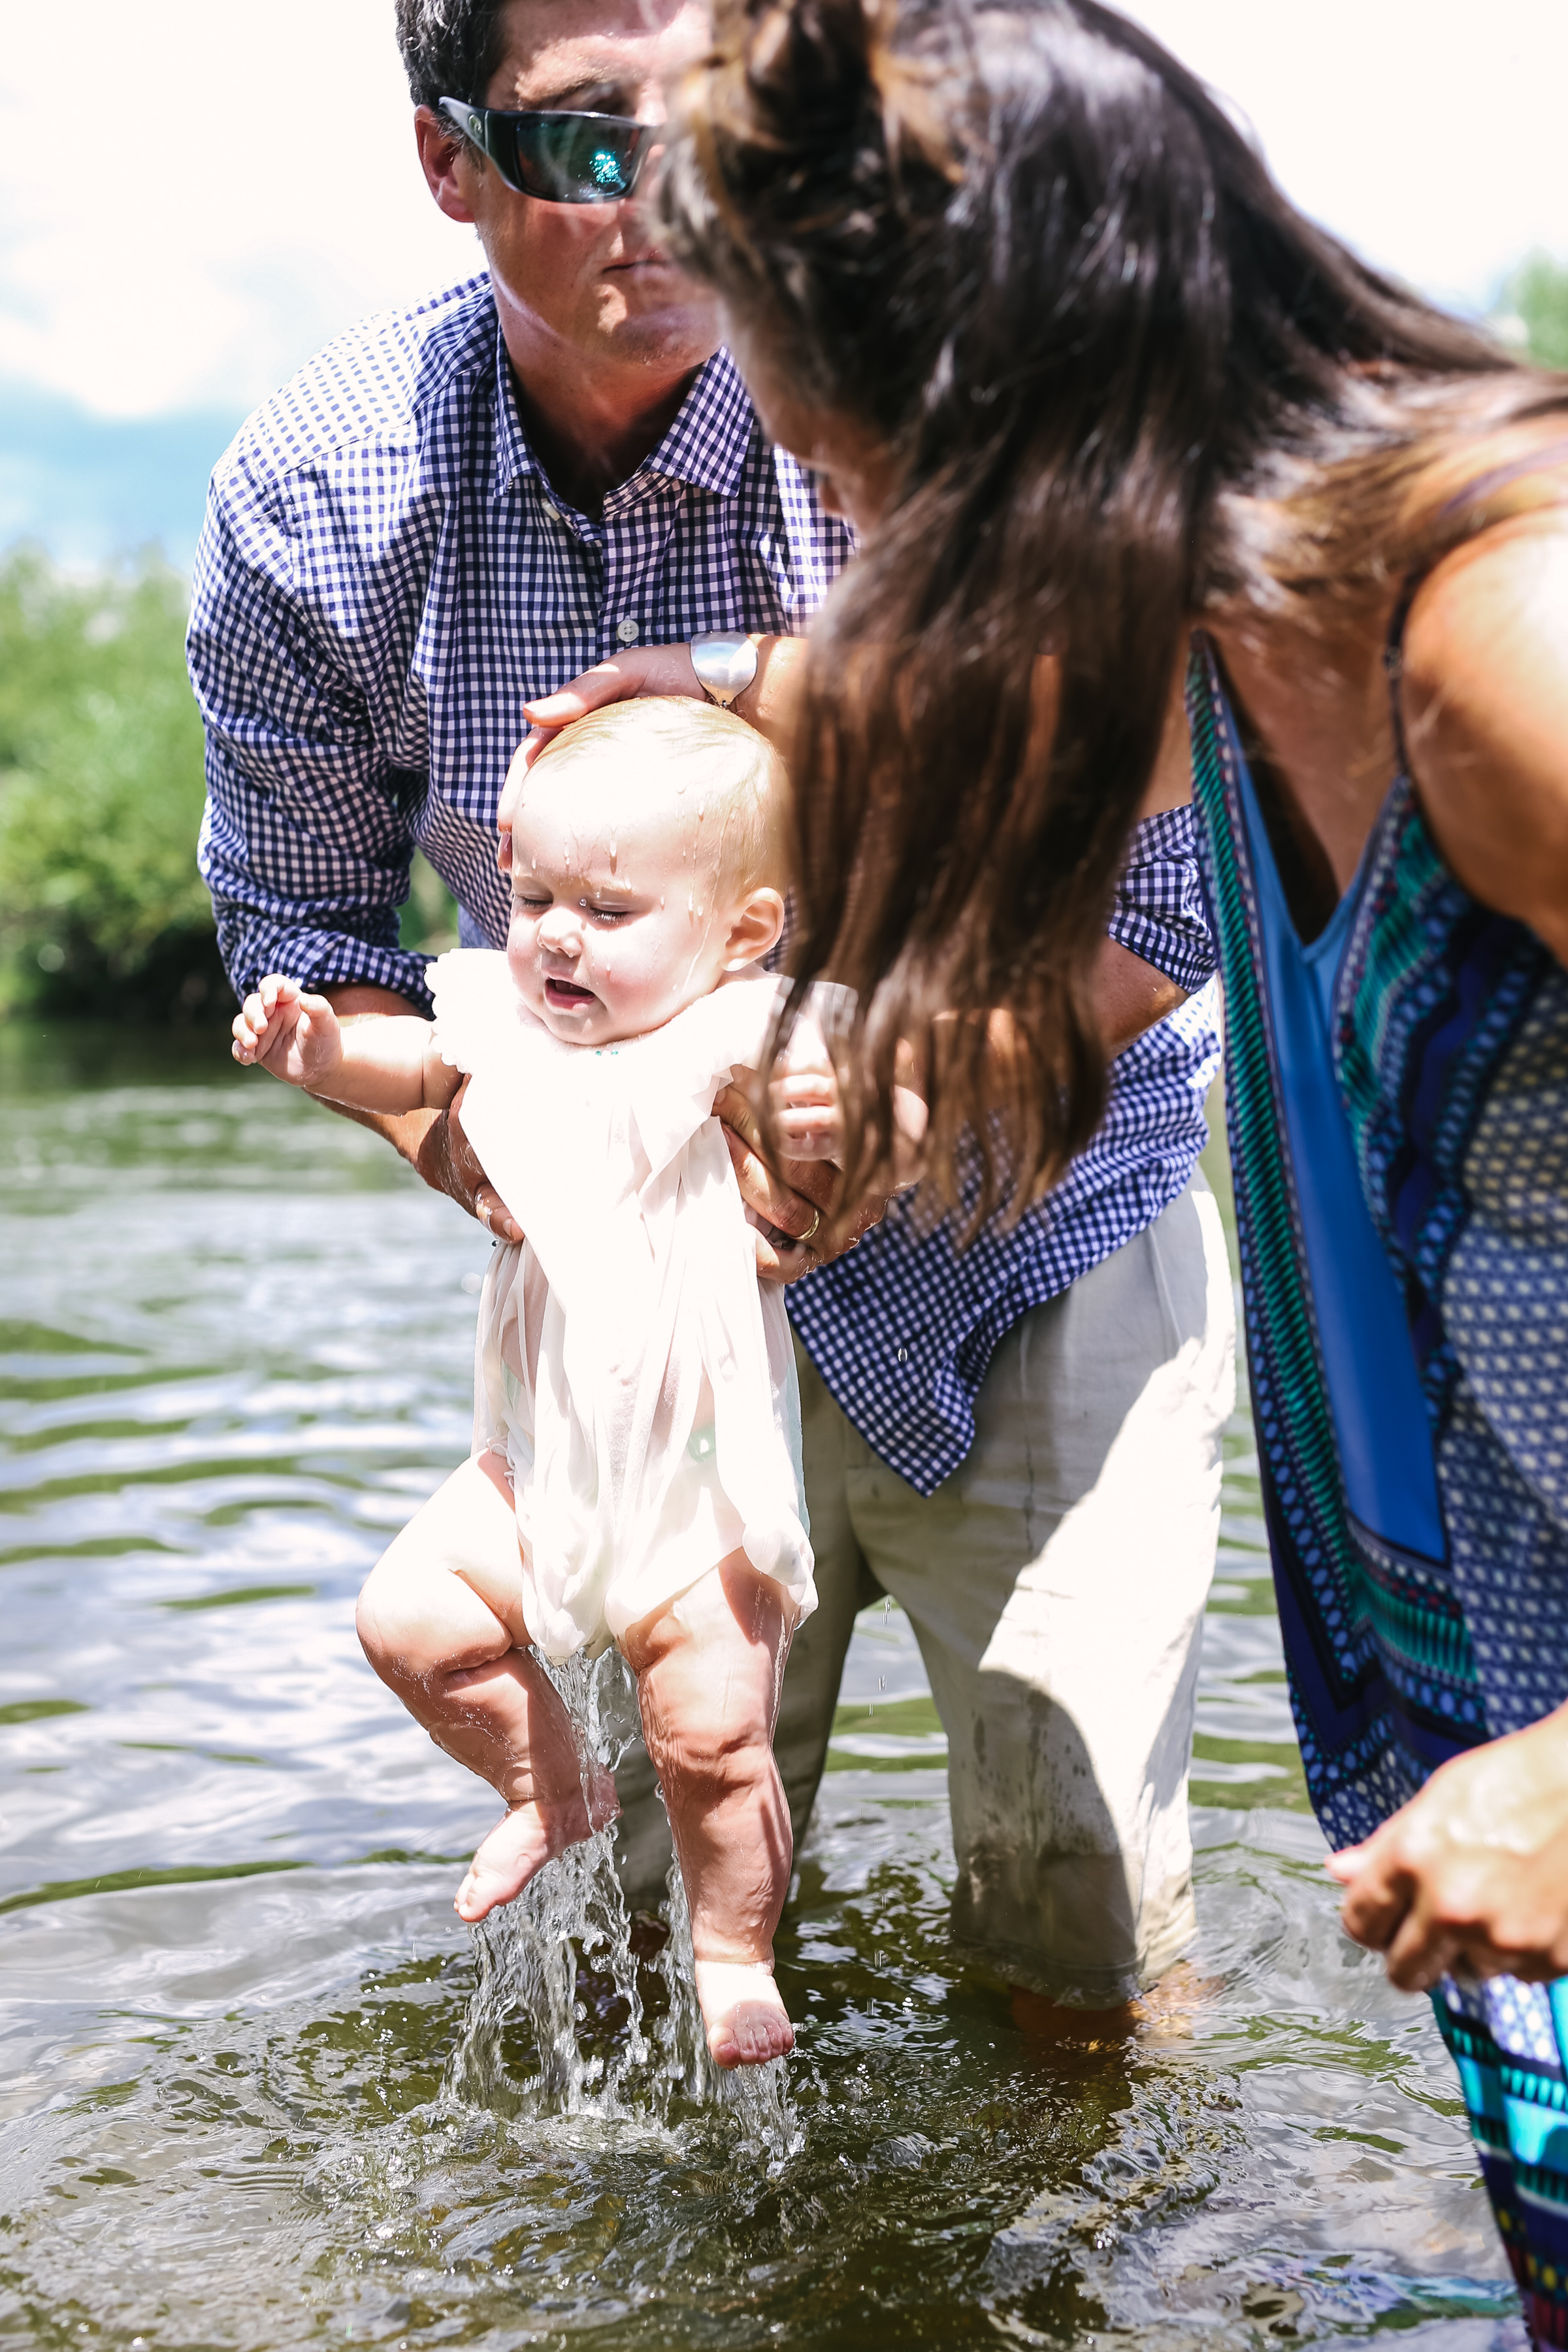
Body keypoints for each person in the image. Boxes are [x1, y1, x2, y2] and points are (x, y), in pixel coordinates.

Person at [645, 0, 1568, 2324]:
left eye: (856, 488)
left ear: (1014, 417)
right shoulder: (1266, 645)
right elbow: (925, 712)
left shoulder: (1510, 644)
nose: (840, 551)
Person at [189, 0, 1233, 2016]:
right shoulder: (323, 495)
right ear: (448, 163)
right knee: (659, 1948)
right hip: (634, 1331)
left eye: (726, 144)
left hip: (1037, 1225)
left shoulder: (929, 406)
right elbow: (307, 938)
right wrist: (495, 1149)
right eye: (592, 146)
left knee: (1083, 1915)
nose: (673, 205)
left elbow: (1180, 887)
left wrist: (912, 1076)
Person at [231, 697, 833, 2067]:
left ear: (738, 932)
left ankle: (734, 1949)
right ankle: (544, 1782)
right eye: (538, 894)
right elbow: (411, 1058)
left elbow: (872, 1080)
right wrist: (320, 1046)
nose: (558, 933)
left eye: (609, 910)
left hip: (700, 1484)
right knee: (408, 1621)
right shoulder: (505, 1014)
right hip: (538, 1466)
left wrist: (834, 1116)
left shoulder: (744, 1026)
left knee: (715, 1738)